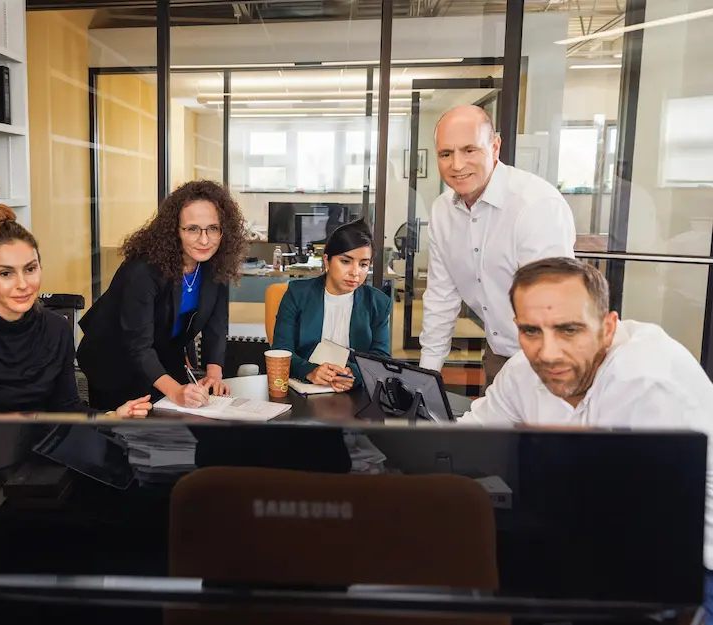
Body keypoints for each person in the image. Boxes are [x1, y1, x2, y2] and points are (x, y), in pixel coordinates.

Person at [458, 257, 713, 614]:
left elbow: (644, 535)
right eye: (531, 331)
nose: (547, 353)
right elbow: (464, 446)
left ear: (608, 328)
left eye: (569, 330)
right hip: (587, 539)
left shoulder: (647, 383)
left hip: (693, 566)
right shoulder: (522, 370)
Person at [0, 205, 151, 419]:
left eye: (30, 269)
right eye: (6, 273)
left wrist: (112, 417)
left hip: (52, 444)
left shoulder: (58, 329)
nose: (23, 284)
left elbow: (68, 409)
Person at [419, 104, 576, 391]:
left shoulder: (535, 206)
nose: (456, 165)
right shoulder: (443, 211)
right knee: (495, 435)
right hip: (498, 355)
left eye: (469, 150)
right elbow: (442, 298)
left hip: (551, 360)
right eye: (446, 154)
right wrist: (425, 379)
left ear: (495, 147)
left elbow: (552, 308)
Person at [77, 180, 248, 410]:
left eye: (213, 228)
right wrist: (176, 391)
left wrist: (214, 373)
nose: (205, 240)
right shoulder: (143, 270)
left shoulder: (215, 264)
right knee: (126, 432)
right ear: (174, 231)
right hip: (114, 357)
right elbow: (137, 346)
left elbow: (216, 325)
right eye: (193, 229)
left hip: (163, 351)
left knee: (178, 421)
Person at [271, 220, 392, 392]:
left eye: (363, 264)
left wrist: (354, 374)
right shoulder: (297, 294)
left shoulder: (378, 303)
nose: (355, 272)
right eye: (345, 261)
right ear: (327, 261)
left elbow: (381, 358)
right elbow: (281, 351)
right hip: (303, 390)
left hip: (355, 393)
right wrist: (309, 371)